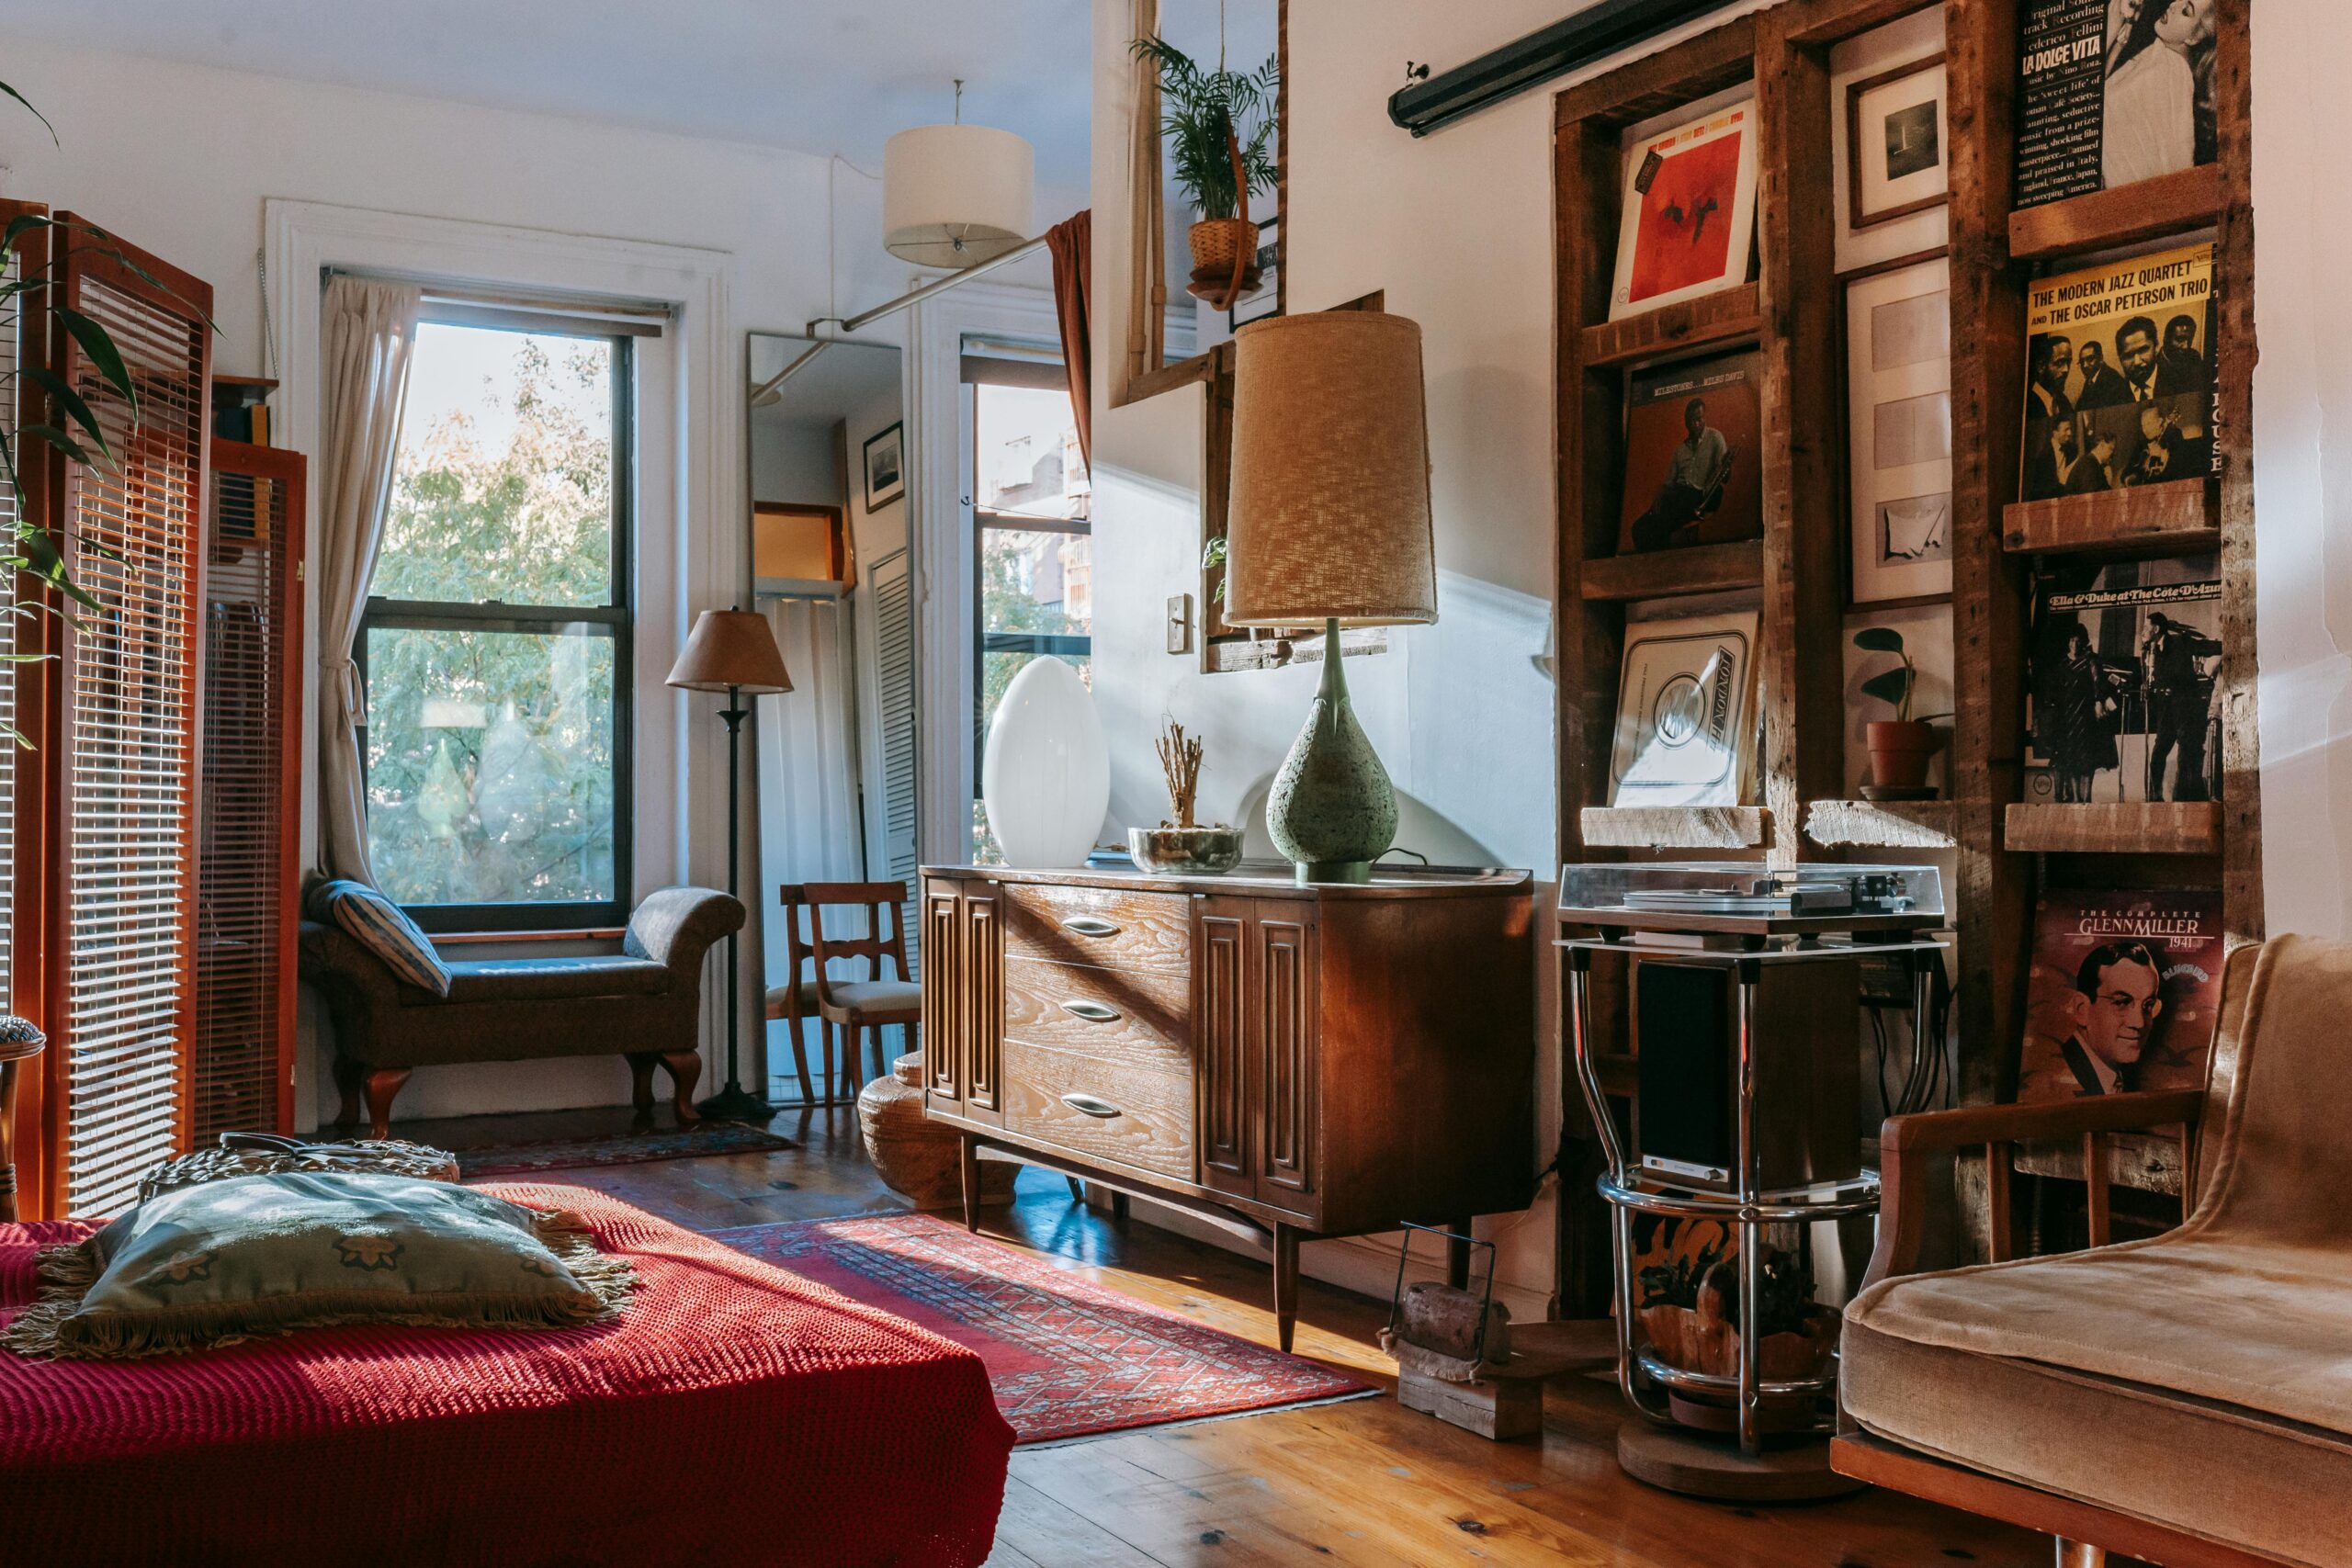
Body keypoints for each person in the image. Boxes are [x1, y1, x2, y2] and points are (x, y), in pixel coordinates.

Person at [2103, 0, 2202, 189]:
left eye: (2186, 11)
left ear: (2193, 38)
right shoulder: (2155, 55)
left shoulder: (2174, 70)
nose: (2174, 5)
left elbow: (2176, 165)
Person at [2059, 942, 2165, 1096]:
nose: (2139, 1023)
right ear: (2082, 1009)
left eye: (2148, 1005)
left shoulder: (2116, 1074)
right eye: (2122, 1002)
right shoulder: (2056, 1079)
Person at [1631, 396, 1734, 552]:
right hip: (1677, 498)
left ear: (1704, 417)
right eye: (1691, 420)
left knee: (1661, 524)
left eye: (1699, 419)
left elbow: (1724, 479)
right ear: (1686, 422)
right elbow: (1668, 483)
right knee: (1639, 528)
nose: (1696, 424)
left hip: (1699, 497)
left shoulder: (1715, 438)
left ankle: (1661, 558)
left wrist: (1727, 465)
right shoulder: (1680, 450)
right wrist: (1659, 497)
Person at [2143, 609, 2220, 800]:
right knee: (2159, 752)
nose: (2142, 632)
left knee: (2186, 757)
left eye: (2146, 627)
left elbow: (2205, 647)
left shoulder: (2180, 642)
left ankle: (2185, 799)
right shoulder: (2151, 650)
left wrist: (2230, 643)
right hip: (2167, 710)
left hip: (2185, 709)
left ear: (2157, 629)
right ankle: (2155, 797)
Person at [2041, 623, 2117, 801]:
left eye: (2077, 639)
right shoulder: (2061, 664)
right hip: (2067, 718)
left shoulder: (2091, 660)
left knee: (2087, 759)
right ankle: (2075, 799)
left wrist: (2098, 702)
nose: (2074, 643)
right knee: (2070, 759)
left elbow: (2098, 684)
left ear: (2084, 641)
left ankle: (2086, 799)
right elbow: (2054, 693)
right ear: (2067, 642)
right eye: (2071, 639)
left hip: (2086, 716)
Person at [2028, 333, 2075, 423]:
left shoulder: (2063, 400)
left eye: (2068, 362)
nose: (2066, 370)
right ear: (2041, 367)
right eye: (2060, 363)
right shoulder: (2029, 402)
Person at [2158, 313, 2211, 394]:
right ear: (2166, 339)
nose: (2185, 346)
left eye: (2189, 341)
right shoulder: (2153, 364)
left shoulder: (2195, 357)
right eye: (2180, 340)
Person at [2074, 340, 2131, 410]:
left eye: (2090, 359)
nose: (2085, 365)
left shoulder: (2112, 379)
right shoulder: (2090, 380)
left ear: (2101, 358)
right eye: (2082, 362)